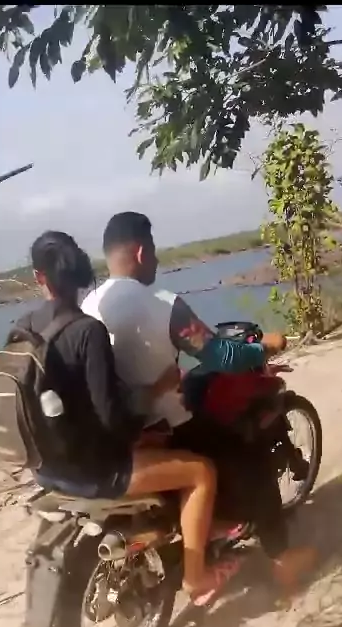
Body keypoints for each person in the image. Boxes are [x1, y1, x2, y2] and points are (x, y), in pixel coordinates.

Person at [82, 212, 315, 598]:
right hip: (166, 426)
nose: (157, 259)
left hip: (119, 430)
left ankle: (214, 527)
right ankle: (282, 559)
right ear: (140, 252)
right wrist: (265, 346)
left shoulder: (91, 304)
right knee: (251, 454)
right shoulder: (162, 304)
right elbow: (221, 354)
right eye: (153, 251)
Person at [17, 230, 232, 606]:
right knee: (201, 472)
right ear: (81, 271)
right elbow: (112, 417)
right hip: (94, 471)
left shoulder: (23, 328)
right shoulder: (87, 331)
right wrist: (155, 395)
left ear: (39, 277)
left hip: (45, 469)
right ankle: (196, 578)